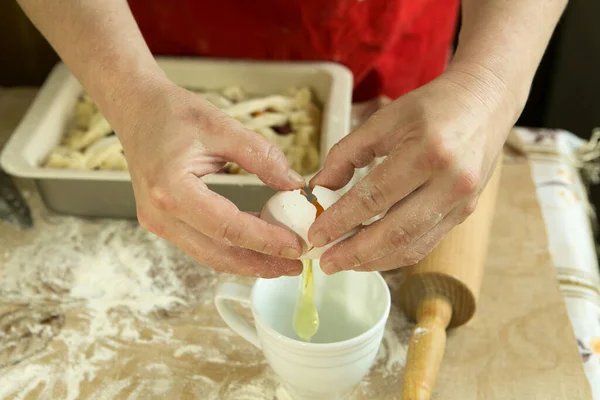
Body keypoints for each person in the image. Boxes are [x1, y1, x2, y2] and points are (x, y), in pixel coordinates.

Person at [17, 0, 566, 278]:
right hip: (141, 38)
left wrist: (489, 83)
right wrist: (131, 94)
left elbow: (488, 86)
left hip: (388, 42)